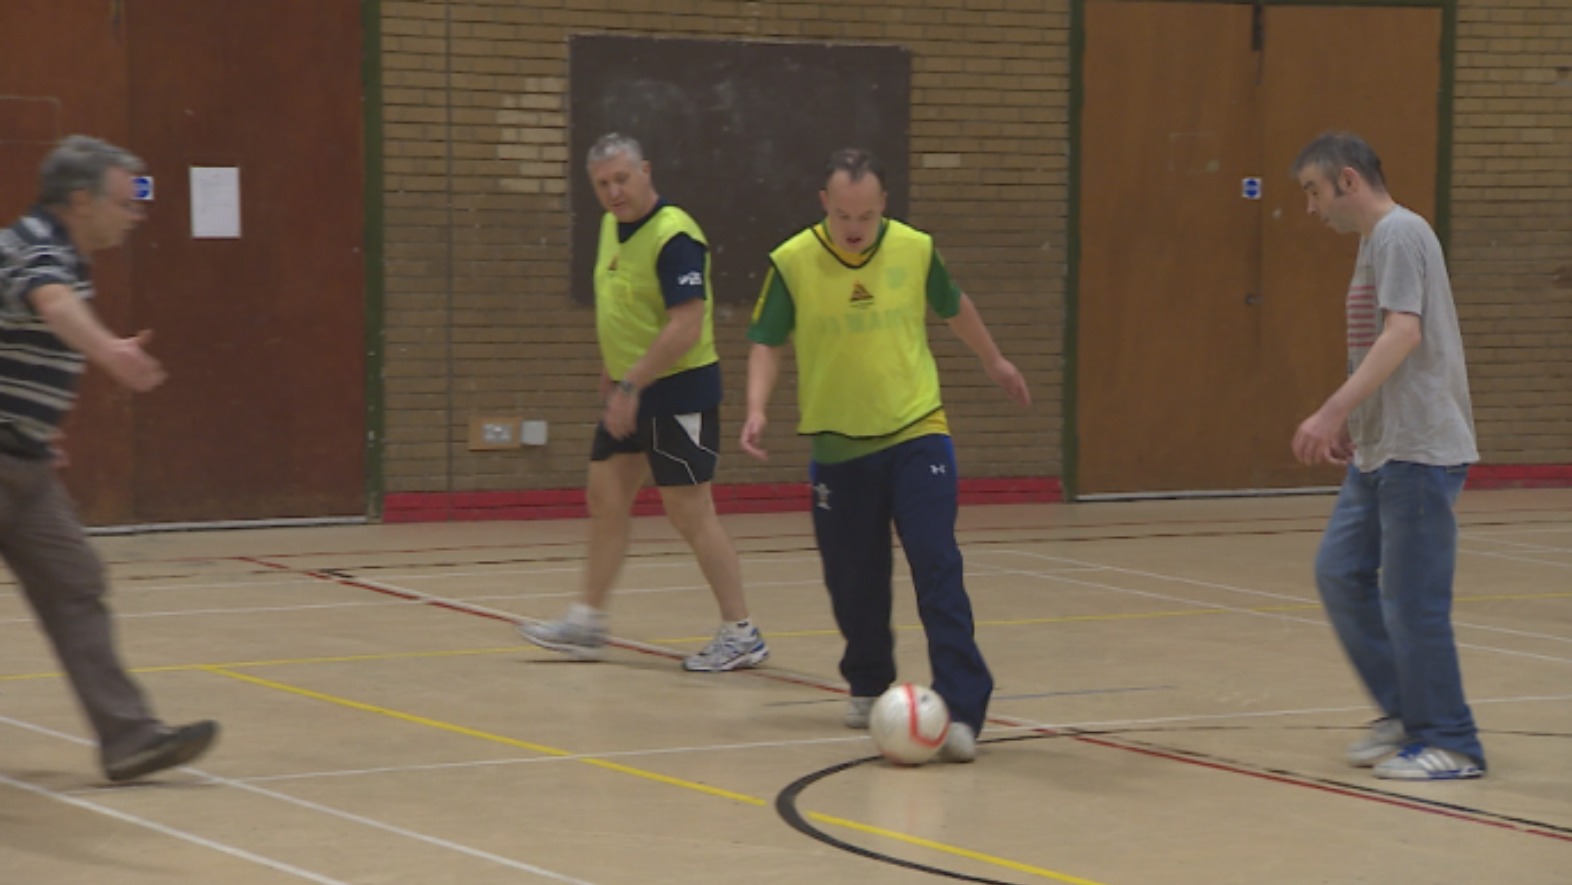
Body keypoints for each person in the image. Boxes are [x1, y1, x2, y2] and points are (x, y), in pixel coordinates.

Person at [740, 148, 1030, 762]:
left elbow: (953, 307)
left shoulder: (915, 249)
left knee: (936, 563)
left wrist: (994, 359)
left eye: (866, 216)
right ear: (824, 204)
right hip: (838, 446)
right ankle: (869, 682)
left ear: (883, 207)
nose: (854, 227)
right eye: (844, 214)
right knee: (853, 579)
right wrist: (757, 407)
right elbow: (766, 342)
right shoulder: (792, 262)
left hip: (916, 431)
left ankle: (963, 708)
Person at [0, 135, 218, 781]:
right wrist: (110, 352)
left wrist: (30, 424)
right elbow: (50, 300)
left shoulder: (68, 254)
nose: (137, 215)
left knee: (76, 585)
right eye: (127, 202)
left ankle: (129, 739)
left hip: (27, 469)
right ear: (80, 199)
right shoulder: (32, 244)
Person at [517, 134, 768, 672]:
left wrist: (633, 384)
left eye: (622, 179)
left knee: (689, 510)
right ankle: (587, 623)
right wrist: (613, 374)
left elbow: (686, 324)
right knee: (605, 495)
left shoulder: (674, 236)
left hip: (677, 388)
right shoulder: (611, 228)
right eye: (603, 184)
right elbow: (621, 307)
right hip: (630, 389)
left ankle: (741, 632)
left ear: (646, 171)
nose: (613, 192)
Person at [1290, 131, 1484, 780]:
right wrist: (1359, 420)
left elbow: (1404, 331)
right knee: (1340, 572)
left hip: (1419, 450)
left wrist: (1332, 408)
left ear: (1348, 180)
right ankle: (1406, 711)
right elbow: (1380, 342)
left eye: (1314, 191)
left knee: (1412, 600)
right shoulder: (1378, 243)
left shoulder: (1401, 234)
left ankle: (1452, 740)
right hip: (1381, 448)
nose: (1311, 209)